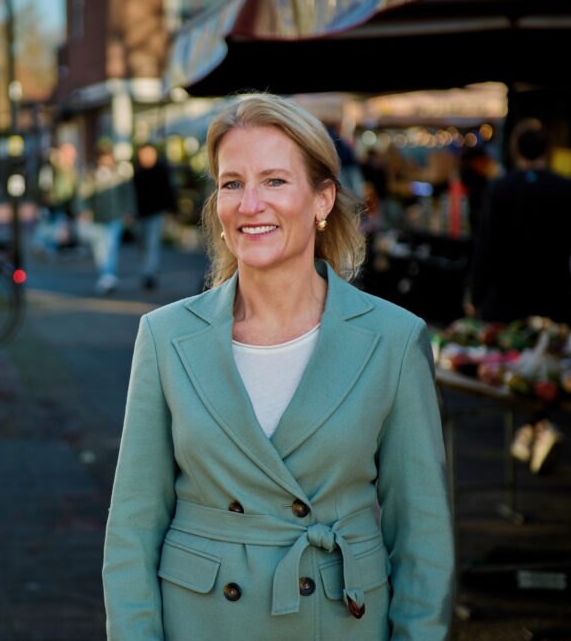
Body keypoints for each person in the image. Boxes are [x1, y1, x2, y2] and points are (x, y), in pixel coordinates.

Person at [103, 94, 453, 640]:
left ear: (322, 200)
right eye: (232, 183)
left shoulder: (394, 339)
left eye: (274, 181)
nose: (249, 204)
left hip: (339, 621)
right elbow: (131, 529)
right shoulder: (167, 336)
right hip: (203, 621)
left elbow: (422, 538)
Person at [470, 118, 571, 473]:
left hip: (509, 293)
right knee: (546, 362)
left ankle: (531, 430)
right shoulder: (565, 188)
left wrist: (477, 292)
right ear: (546, 151)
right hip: (555, 291)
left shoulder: (501, 189)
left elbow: (485, 244)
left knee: (516, 365)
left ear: (516, 150)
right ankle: (538, 427)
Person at [79, 143, 134, 294]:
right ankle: (106, 275)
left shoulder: (120, 175)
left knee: (111, 247)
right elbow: (84, 194)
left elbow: (127, 195)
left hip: (115, 217)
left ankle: (108, 276)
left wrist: (129, 212)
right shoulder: (91, 174)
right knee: (100, 249)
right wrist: (84, 210)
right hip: (97, 217)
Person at [132, 143, 176, 290]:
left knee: (152, 243)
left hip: (156, 213)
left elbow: (168, 191)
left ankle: (149, 273)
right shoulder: (136, 172)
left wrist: (172, 210)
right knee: (142, 244)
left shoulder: (161, 171)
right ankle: (145, 269)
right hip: (139, 214)